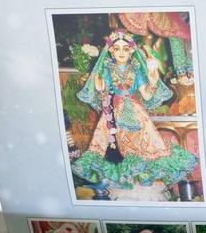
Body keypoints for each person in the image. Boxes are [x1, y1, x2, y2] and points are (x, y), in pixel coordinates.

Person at [73, 30, 197, 201]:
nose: (121, 52)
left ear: (131, 51)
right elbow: (104, 96)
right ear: (111, 51)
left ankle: (144, 195)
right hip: (114, 116)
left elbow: (146, 95)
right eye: (117, 48)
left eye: (125, 49)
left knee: (145, 151)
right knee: (116, 153)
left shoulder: (137, 70)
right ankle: (122, 193)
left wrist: (152, 79)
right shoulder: (107, 70)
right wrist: (101, 90)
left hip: (137, 115)